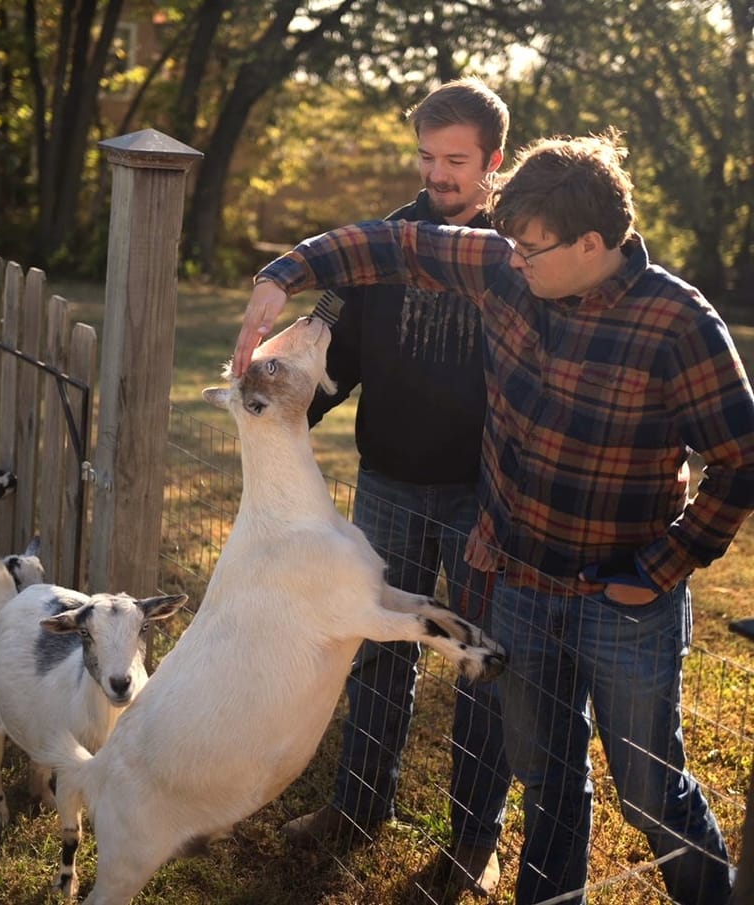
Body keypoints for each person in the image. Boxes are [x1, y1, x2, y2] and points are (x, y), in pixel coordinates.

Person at [234, 130, 754, 905]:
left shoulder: (679, 323)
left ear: (591, 243)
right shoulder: (505, 267)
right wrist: (285, 274)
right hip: (517, 582)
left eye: (531, 249)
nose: (511, 258)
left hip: (623, 603)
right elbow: (391, 242)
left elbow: (740, 457)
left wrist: (661, 570)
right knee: (547, 778)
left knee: (649, 790)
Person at [281, 78, 513, 899]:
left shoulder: (520, 249)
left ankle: (473, 842)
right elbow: (338, 355)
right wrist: (286, 415)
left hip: (483, 500)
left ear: (494, 162)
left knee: (481, 667)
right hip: (387, 482)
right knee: (378, 648)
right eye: (427, 157)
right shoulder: (384, 242)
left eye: (456, 160)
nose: (439, 174)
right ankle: (357, 805)